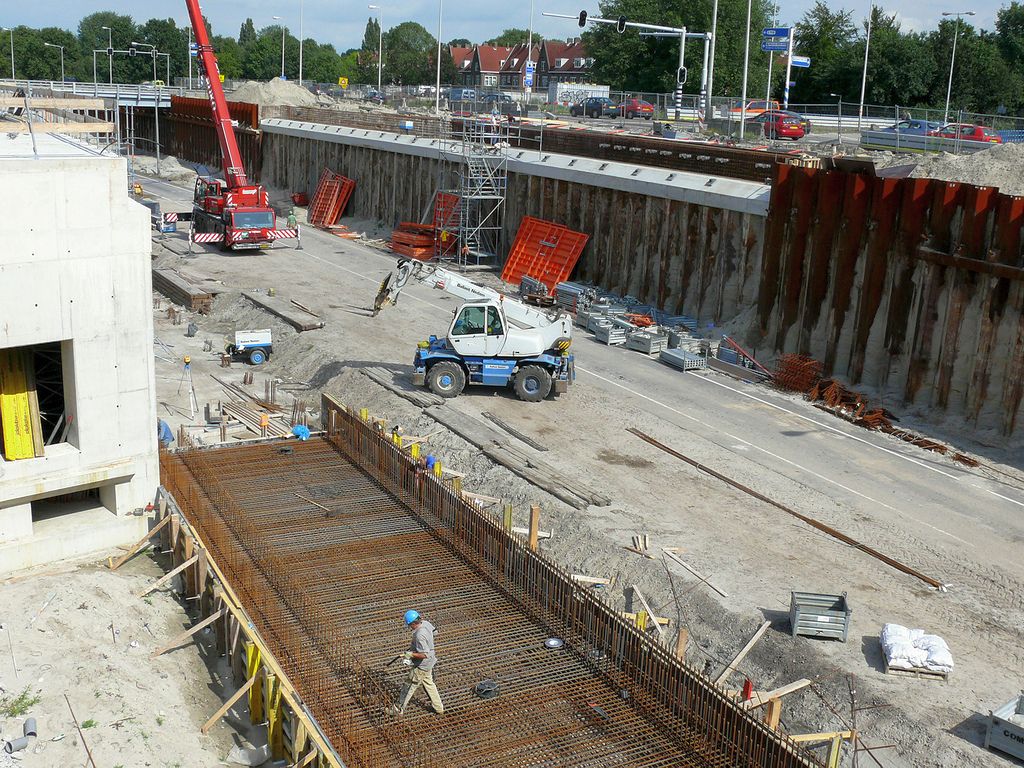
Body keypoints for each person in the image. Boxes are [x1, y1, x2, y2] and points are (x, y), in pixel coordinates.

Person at [392, 609, 443, 716]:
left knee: (409, 685)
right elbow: (435, 632)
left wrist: (410, 654)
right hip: (430, 662)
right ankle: (438, 708)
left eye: (410, 625)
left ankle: (398, 710)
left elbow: (424, 654)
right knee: (429, 683)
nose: (410, 627)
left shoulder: (419, 635)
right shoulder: (426, 623)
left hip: (422, 665)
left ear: (414, 623)